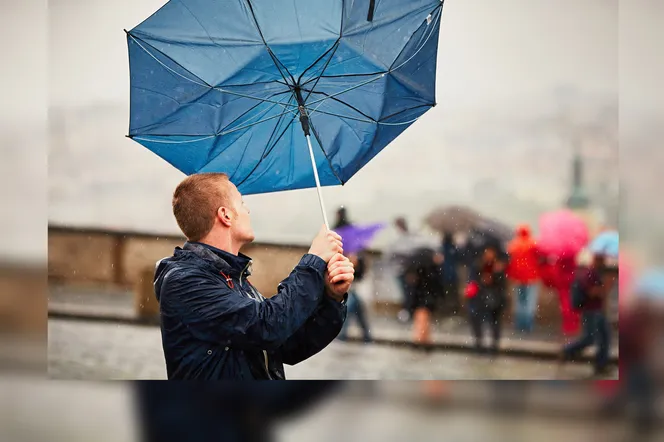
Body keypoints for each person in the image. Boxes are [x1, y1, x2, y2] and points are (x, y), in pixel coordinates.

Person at [154, 173, 354, 380]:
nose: (247, 210)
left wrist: (332, 298)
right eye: (241, 203)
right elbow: (268, 326)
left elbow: (289, 345)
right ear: (226, 215)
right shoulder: (185, 281)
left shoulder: (232, 277)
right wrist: (314, 260)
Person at [559, 252, 614, 376]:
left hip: (598, 311)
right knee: (589, 339)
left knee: (605, 337)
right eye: (602, 260)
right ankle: (567, 350)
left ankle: (601, 365)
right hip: (591, 311)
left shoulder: (595, 273)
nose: (604, 263)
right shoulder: (590, 274)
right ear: (597, 261)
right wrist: (607, 286)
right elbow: (592, 293)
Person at [465, 245, 508, 355]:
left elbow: (502, 284)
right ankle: (479, 343)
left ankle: (494, 345)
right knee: (477, 320)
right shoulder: (477, 265)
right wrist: (482, 281)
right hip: (480, 298)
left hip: (495, 298)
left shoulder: (498, 266)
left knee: (495, 321)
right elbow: (472, 280)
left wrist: (495, 275)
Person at [506, 224, 540, 333]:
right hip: (531, 278)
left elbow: (509, 261)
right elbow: (540, 257)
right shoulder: (533, 244)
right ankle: (528, 325)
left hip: (517, 278)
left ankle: (519, 324)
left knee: (519, 302)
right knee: (529, 302)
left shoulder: (513, 245)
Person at [337, 252, 372, 343]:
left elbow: (361, 277)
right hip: (350, 293)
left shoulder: (361, 259)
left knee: (360, 315)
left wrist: (356, 265)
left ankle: (367, 337)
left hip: (359, 293)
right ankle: (343, 335)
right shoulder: (344, 258)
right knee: (348, 311)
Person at [440, 232, 460, 314]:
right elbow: (459, 258)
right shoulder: (453, 248)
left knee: (446, 293)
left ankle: (448, 309)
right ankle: (454, 309)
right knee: (453, 293)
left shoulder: (441, 249)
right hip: (453, 275)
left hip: (444, 274)